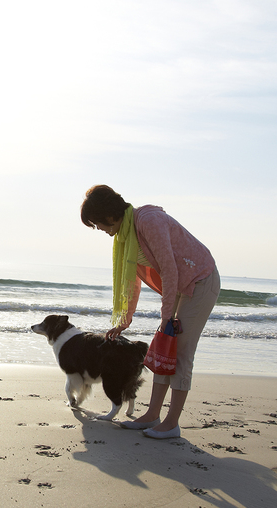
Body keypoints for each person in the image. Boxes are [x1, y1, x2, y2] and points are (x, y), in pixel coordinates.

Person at [81, 185, 220, 439]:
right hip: (181, 285)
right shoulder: (128, 235)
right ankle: (152, 415)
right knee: (162, 348)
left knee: (180, 351)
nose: (99, 229)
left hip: (199, 281)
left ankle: (171, 424)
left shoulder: (148, 221)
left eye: (97, 224)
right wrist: (124, 320)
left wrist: (166, 316)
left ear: (109, 215)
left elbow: (169, 269)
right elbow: (134, 280)